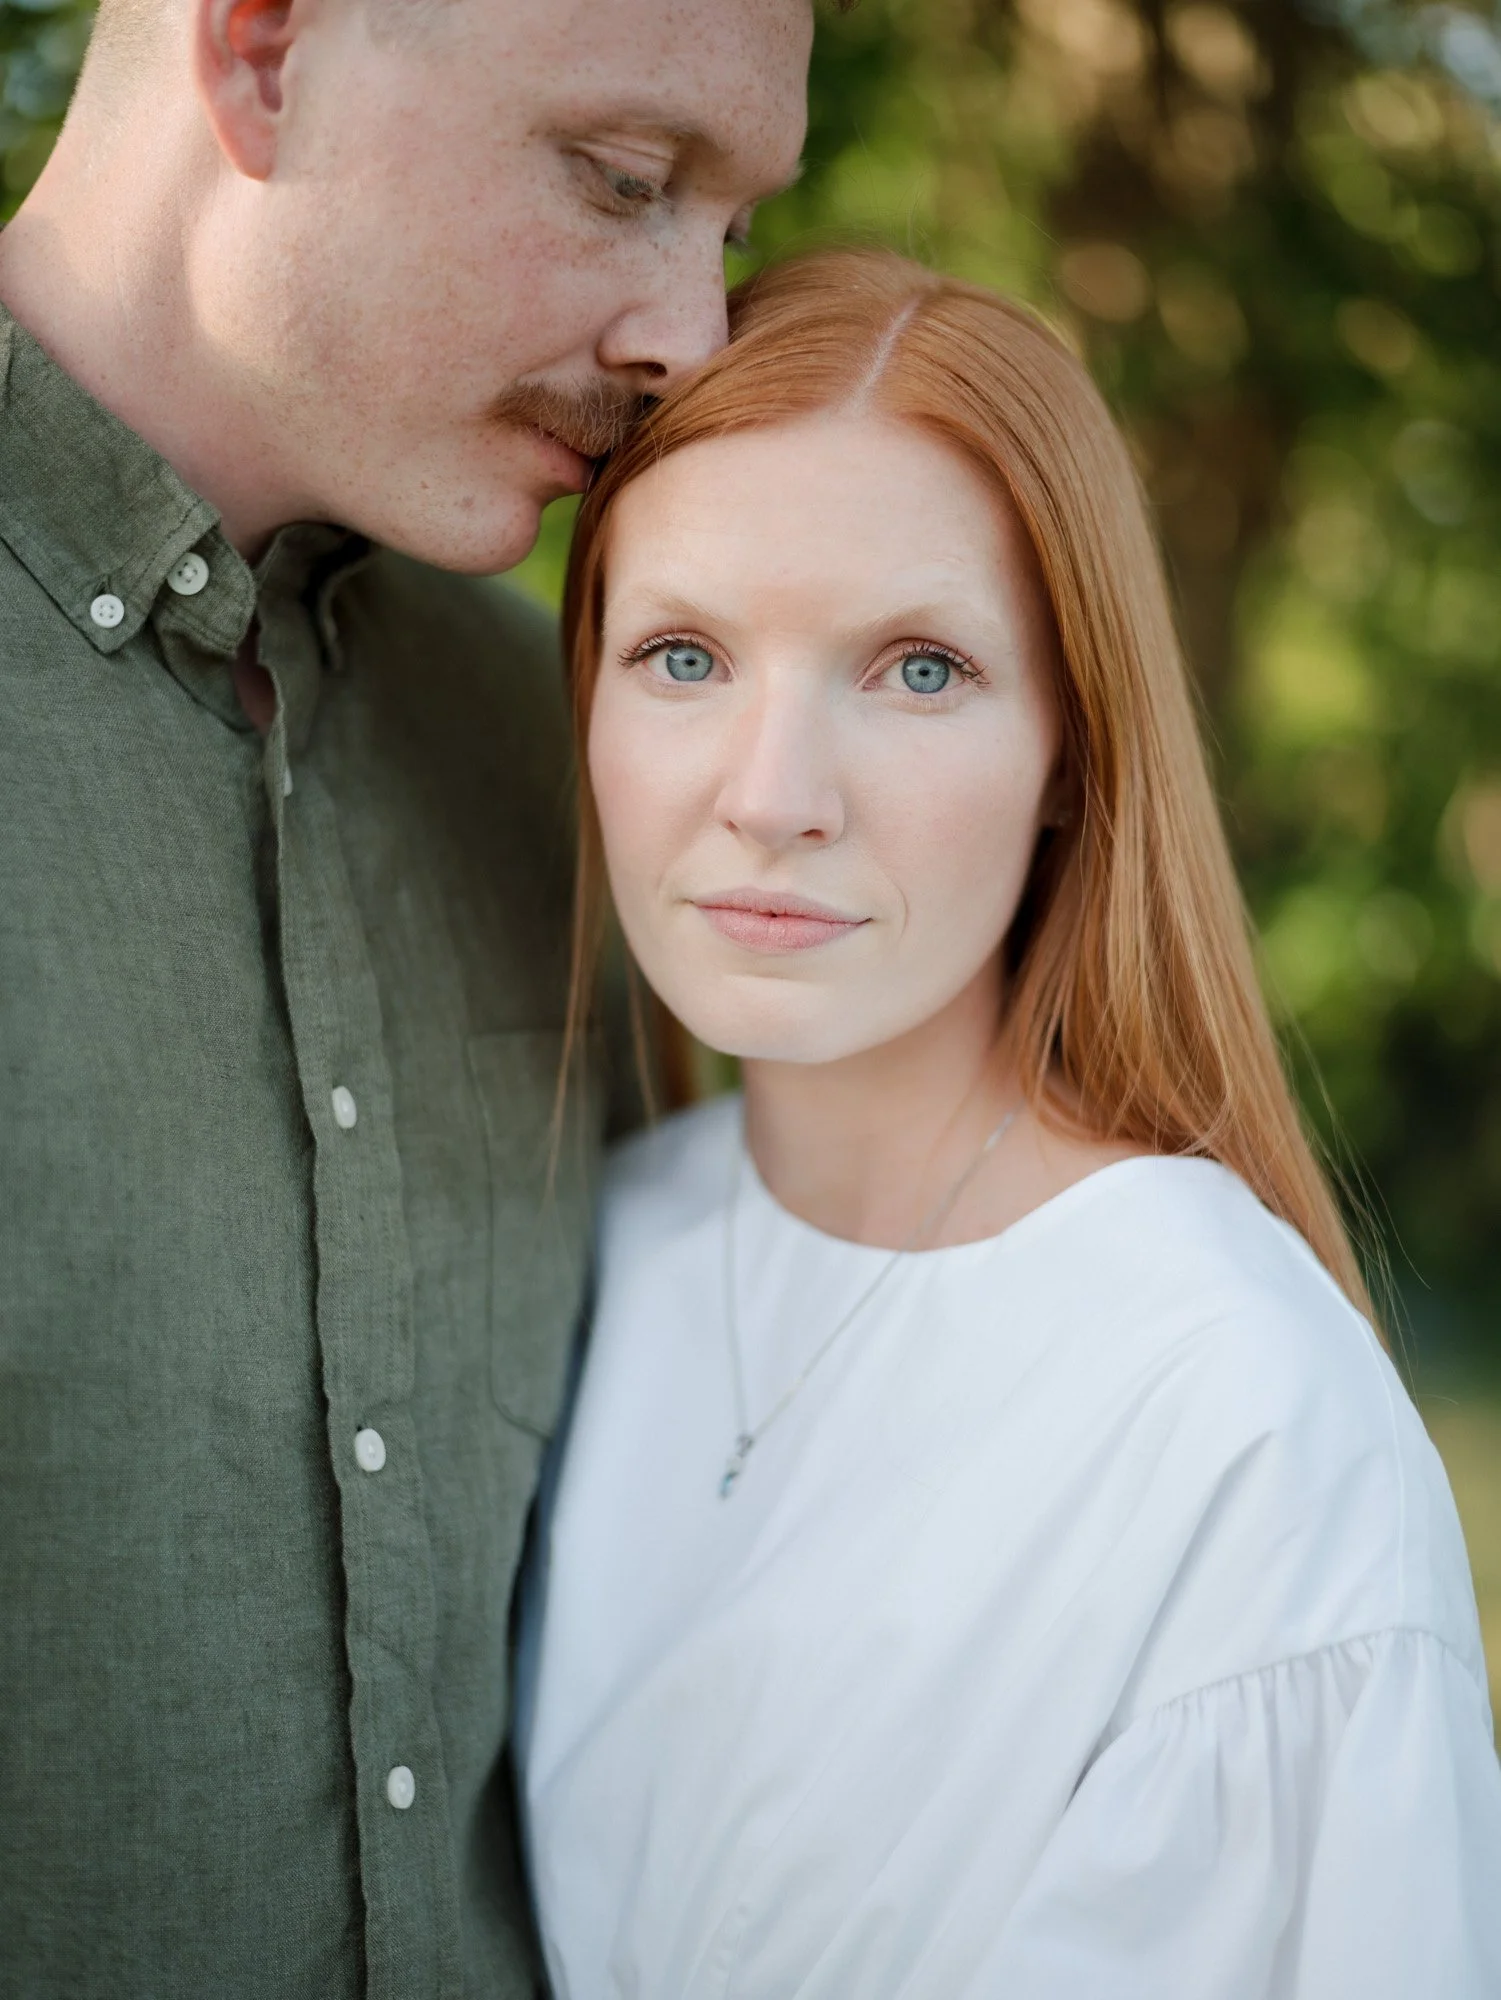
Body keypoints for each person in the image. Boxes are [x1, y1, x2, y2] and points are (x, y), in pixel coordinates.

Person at [519, 247, 1501, 1998]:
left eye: (915, 671)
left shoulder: (1242, 1428)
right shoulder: (598, 1237)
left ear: (1073, 755)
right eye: (682, 654)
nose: (771, 797)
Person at [0, 0, 809, 1991]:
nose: (686, 340)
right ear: (262, 53)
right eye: (623, 182)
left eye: (722, 224)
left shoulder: (578, 749)